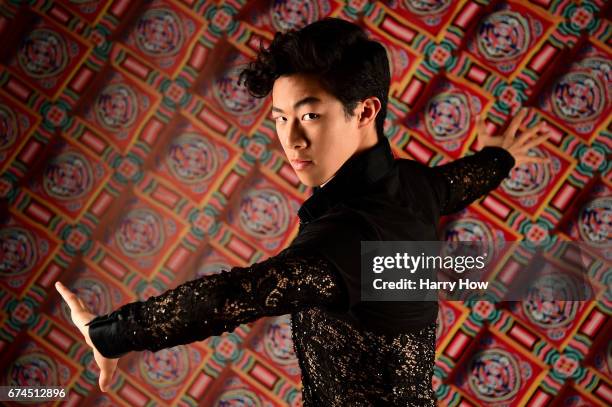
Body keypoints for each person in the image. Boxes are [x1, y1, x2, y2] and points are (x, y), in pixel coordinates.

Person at [56, 17, 552, 406]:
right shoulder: (415, 188)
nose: (291, 141)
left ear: (365, 111)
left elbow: (230, 297)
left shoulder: (348, 242)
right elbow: (456, 184)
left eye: (310, 115)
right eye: (280, 119)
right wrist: (499, 157)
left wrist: (109, 335)